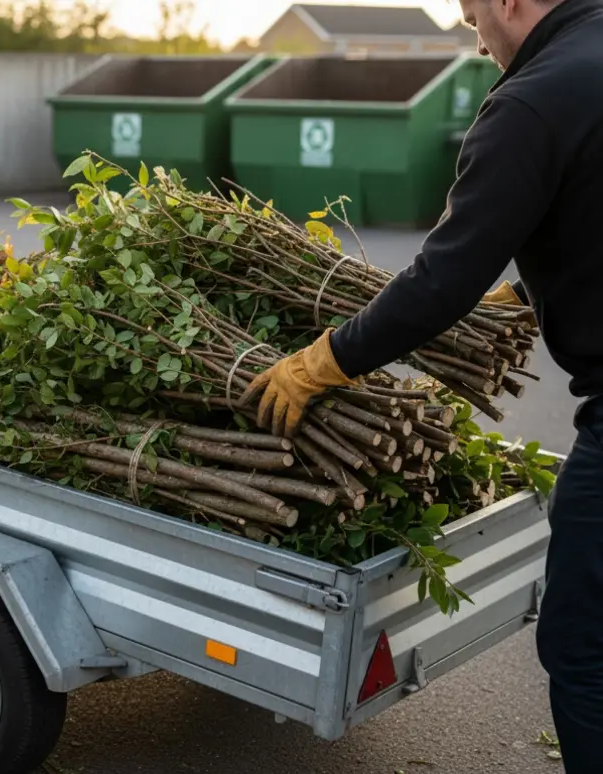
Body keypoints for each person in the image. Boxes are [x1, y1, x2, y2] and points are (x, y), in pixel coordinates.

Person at [243, 0, 603, 770]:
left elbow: (441, 280)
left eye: (475, 18)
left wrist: (326, 359)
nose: (476, 42)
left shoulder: (532, 100)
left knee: (583, 646)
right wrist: (547, 287)